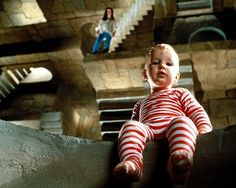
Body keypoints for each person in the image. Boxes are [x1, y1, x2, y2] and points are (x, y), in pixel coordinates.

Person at [113, 43, 213, 184]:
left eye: (169, 63)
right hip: (149, 131)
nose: (162, 66)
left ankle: (179, 160)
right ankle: (132, 162)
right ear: (145, 74)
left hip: (172, 128)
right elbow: (134, 126)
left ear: (177, 76)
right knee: (129, 126)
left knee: (183, 121)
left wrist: (204, 128)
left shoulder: (180, 92)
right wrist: (131, 132)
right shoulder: (140, 103)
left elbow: (196, 111)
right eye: (155, 62)